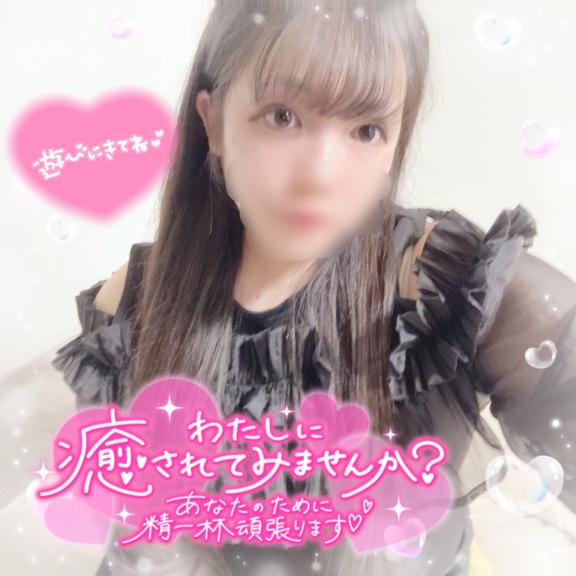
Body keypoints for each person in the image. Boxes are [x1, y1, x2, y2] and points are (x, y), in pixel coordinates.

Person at [51, 1, 576, 574]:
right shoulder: (133, 305)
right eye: (282, 117)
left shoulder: (444, 287)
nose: (321, 175)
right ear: (213, 122)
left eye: (367, 131)